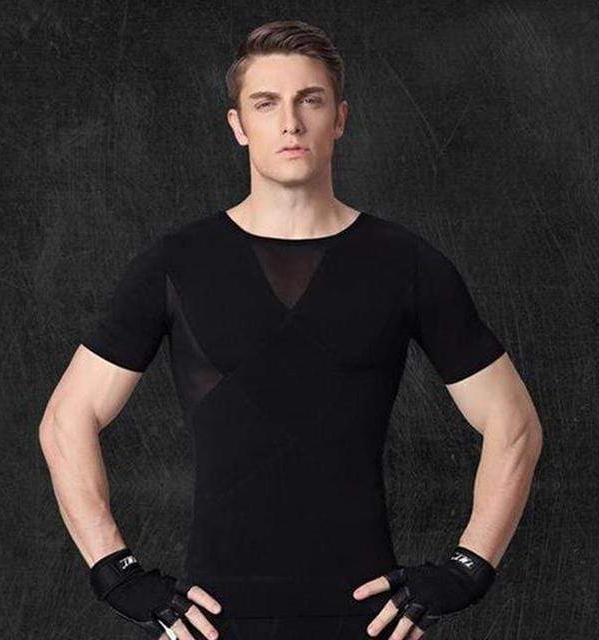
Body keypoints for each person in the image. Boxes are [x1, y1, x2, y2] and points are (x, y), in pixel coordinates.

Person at [38, 19, 543, 640]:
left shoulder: (405, 263)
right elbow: (67, 419)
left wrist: (469, 568)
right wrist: (116, 575)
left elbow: (514, 424)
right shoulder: (178, 263)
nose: (291, 123)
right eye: (266, 103)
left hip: (367, 618)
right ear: (238, 126)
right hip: (211, 620)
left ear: (340, 118)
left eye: (310, 100)